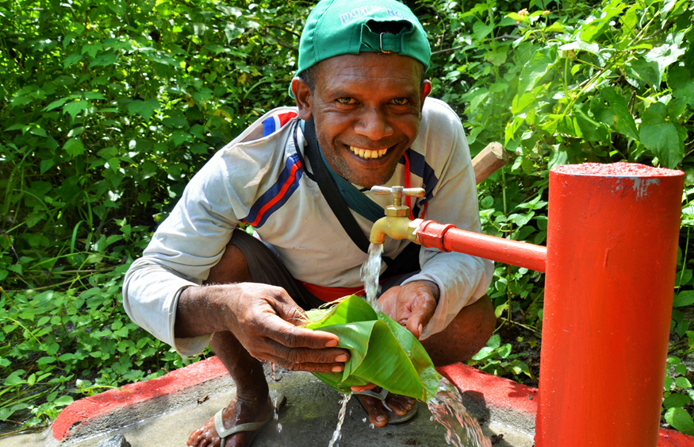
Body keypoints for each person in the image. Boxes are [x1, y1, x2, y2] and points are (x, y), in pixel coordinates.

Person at [123, 0, 496, 446]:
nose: (375, 129)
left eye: (398, 102)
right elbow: (143, 281)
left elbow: (464, 254)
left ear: (423, 95)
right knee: (218, 274)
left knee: (472, 320)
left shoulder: (438, 132)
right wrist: (226, 307)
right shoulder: (253, 164)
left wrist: (428, 288)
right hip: (295, 304)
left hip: (389, 293)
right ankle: (252, 397)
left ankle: (373, 372)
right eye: (346, 101)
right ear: (304, 98)